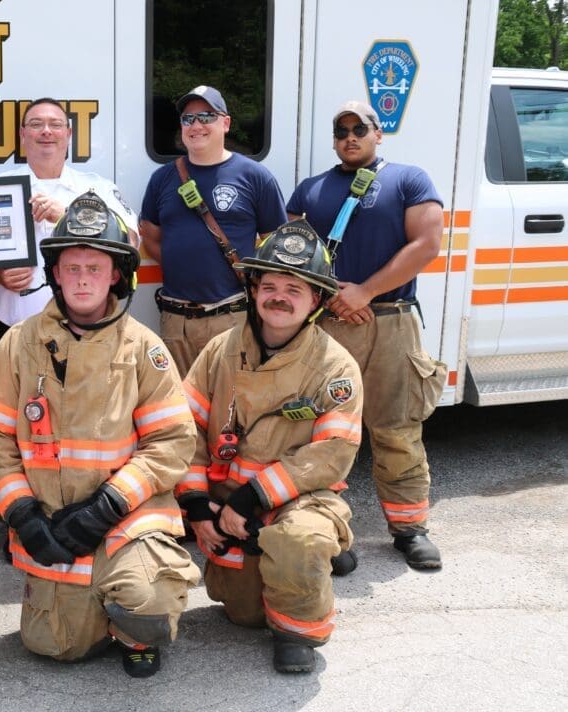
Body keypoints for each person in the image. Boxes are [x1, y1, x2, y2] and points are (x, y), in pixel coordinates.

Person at [0, 191, 200, 678]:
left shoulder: (144, 347)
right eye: (71, 266)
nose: (82, 278)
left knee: (148, 602)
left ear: (116, 274)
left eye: (94, 267)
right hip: (51, 524)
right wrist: (21, 513)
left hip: (125, 518)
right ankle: (97, 609)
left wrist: (109, 505)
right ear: (53, 273)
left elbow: (172, 442)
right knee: (54, 648)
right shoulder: (18, 344)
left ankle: (133, 626)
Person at [178, 218, 362, 673]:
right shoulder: (219, 351)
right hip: (226, 509)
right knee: (242, 614)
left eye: (295, 289)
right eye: (271, 285)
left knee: (298, 543)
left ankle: (299, 630)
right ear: (254, 289)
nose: (280, 296)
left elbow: (331, 455)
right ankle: (306, 559)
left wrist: (250, 498)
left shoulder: (335, 367)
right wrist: (199, 511)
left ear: (316, 300)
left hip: (295, 501)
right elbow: (185, 431)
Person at [286, 100, 447, 570]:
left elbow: (427, 243)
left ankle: (409, 529)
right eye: (341, 131)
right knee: (320, 433)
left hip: (392, 321)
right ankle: (325, 530)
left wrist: (366, 291)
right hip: (326, 322)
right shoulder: (310, 189)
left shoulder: (410, 179)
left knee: (397, 428)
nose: (350, 137)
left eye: (360, 128)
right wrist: (330, 293)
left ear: (380, 134)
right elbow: (292, 250)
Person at [140, 85, 287, 377]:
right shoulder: (162, 179)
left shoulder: (254, 176)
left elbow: (277, 242)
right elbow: (150, 235)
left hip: (231, 316)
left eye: (206, 116)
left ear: (226, 123)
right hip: (175, 320)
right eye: (188, 119)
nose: (196, 125)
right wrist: (182, 265)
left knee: (230, 407)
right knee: (179, 408)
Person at [0, 98, 139, 342]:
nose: (46, 131)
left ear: (68, 133)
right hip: (15, 335)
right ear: (23, 134)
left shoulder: (98, 188)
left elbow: (130, 243)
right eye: (36, 124)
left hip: (87, 334)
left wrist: (68, 216)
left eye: (55, 124)